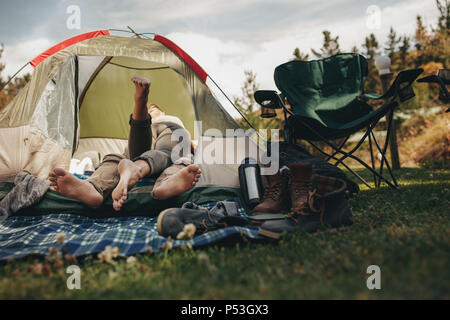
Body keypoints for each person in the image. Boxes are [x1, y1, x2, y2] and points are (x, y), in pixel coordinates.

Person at [49, 76, 201, 211]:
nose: (153, 111)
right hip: (169, 132)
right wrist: (192, 149)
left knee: (117, 159)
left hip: (148, 135)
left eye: (152, 110)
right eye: (151, 110)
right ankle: (163, 183)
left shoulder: (163, 120)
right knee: (179, 158)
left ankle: (95, 186)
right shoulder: (171, 119)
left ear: (157, 113)